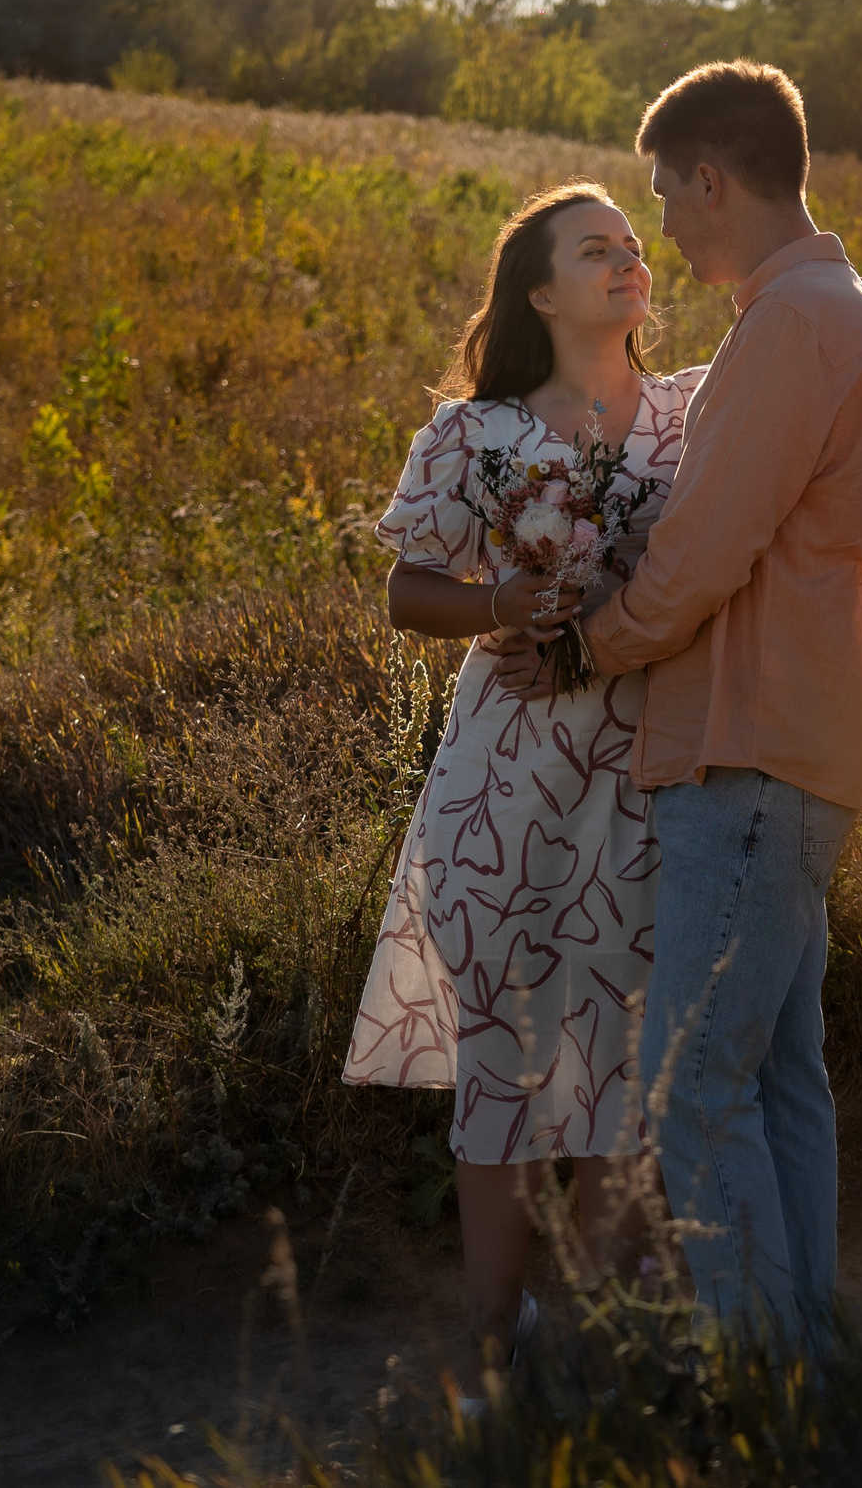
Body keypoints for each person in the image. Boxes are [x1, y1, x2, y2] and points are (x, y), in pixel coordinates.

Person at [495, 61, 862, 1345]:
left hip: (753, 758)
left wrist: (590, 646)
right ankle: (803, 1365)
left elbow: (703, 551)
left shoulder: (795, 325)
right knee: (778, 1076)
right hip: (795, 750)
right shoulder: (819, 310)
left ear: (711, 177)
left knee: (690, 1090)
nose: (664, 229)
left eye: (665, 198)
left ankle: (766, 1386)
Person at [342, 181, 709, 1373]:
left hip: (649, 770)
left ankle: (603, 1335)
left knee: (619, 1056)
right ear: (540, 291)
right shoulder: (469, 432)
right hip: (502, 782)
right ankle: (494, 1342)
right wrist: (500, 601)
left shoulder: (695, 415)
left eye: (634, 245)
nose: (627, 260)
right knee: (504, 1050)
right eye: (595, 249)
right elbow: (406, 592)